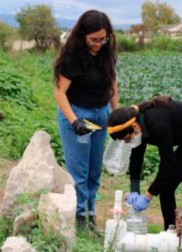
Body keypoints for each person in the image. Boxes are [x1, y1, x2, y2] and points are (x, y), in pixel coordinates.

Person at [107, 96, 182, 230]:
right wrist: (134, 190)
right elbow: (136, 159)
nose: (127, 142)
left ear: (134, 126)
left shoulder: (157, 123)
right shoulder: (138, 127)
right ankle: (170, 232)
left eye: (127, 139)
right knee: (166, 187)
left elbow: (167, 165)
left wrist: (148, 195)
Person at [53, 10, 119, 233]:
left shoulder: (106, 52)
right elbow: (60, 92)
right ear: (83, 35)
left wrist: (117, 113)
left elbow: (112, 82)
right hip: (78, 115)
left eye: (103, 39)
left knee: (94, 171)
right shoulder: (73, 57)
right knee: (79, 173)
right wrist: (74, 122)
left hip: (100, 115)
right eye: (94, 39)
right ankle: (79, 219)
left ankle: (91, 216)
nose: (99, 43)